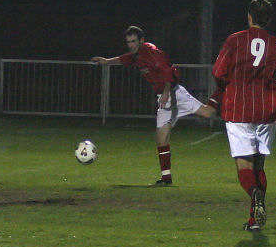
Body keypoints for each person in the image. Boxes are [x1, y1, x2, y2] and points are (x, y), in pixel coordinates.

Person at [211, 0, 276, 231]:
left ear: (249, 16)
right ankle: (254, 220)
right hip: (266, 110)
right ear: (268, 19)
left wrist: (227, 85)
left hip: (238, 109)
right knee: (259, 166)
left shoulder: (234, 40)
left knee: (244, 166)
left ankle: (254, 193)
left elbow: (218, 71)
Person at [91, 26, 217, 185]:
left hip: (173, 93)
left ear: (141, 41)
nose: (131, 44)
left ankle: (223, 89)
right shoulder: (136, 55)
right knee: (161, 137)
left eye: (133, 41)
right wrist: (107, 61)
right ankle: (166, 178)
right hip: (165, 98)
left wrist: (165, 92)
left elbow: (166, 70)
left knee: (208, 113)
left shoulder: (149, 51)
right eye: (128, 42)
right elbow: (125, 58)